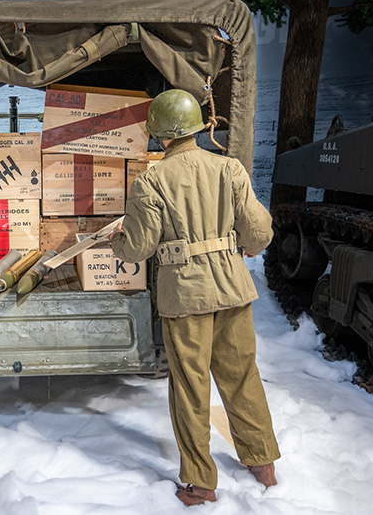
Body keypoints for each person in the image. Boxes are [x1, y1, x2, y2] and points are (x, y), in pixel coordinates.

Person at [109, 89, 280, 507]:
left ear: (159, 134)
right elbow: (258, 233)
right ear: (198, 126)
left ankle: (201, 483)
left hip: (186, 296)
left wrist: (118, 241)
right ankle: (263, 465)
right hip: (233, 288)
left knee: (190, 386)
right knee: (242, 377)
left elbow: (139, 247)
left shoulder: (151, 181)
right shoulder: (230, 168)